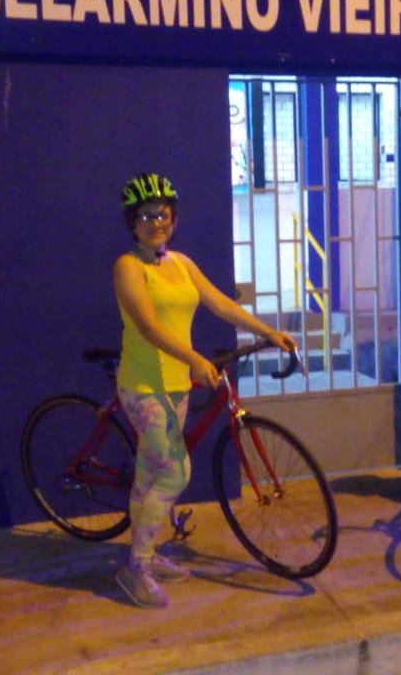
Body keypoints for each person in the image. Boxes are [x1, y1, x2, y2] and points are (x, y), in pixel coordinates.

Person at [111, 172, 297, 608]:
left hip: (175, 384)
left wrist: (268, 330)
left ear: (173, 219)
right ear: (133, 223)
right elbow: (147, 326)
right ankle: (134, 567)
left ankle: (146, 554)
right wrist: (195, 358)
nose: (156, 221)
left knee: (150, 475)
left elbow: (220, 303)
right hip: (143, 385)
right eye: (146, 216)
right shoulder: (128, 266)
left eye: (163, 214)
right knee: (176, 473)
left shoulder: (181, 263)